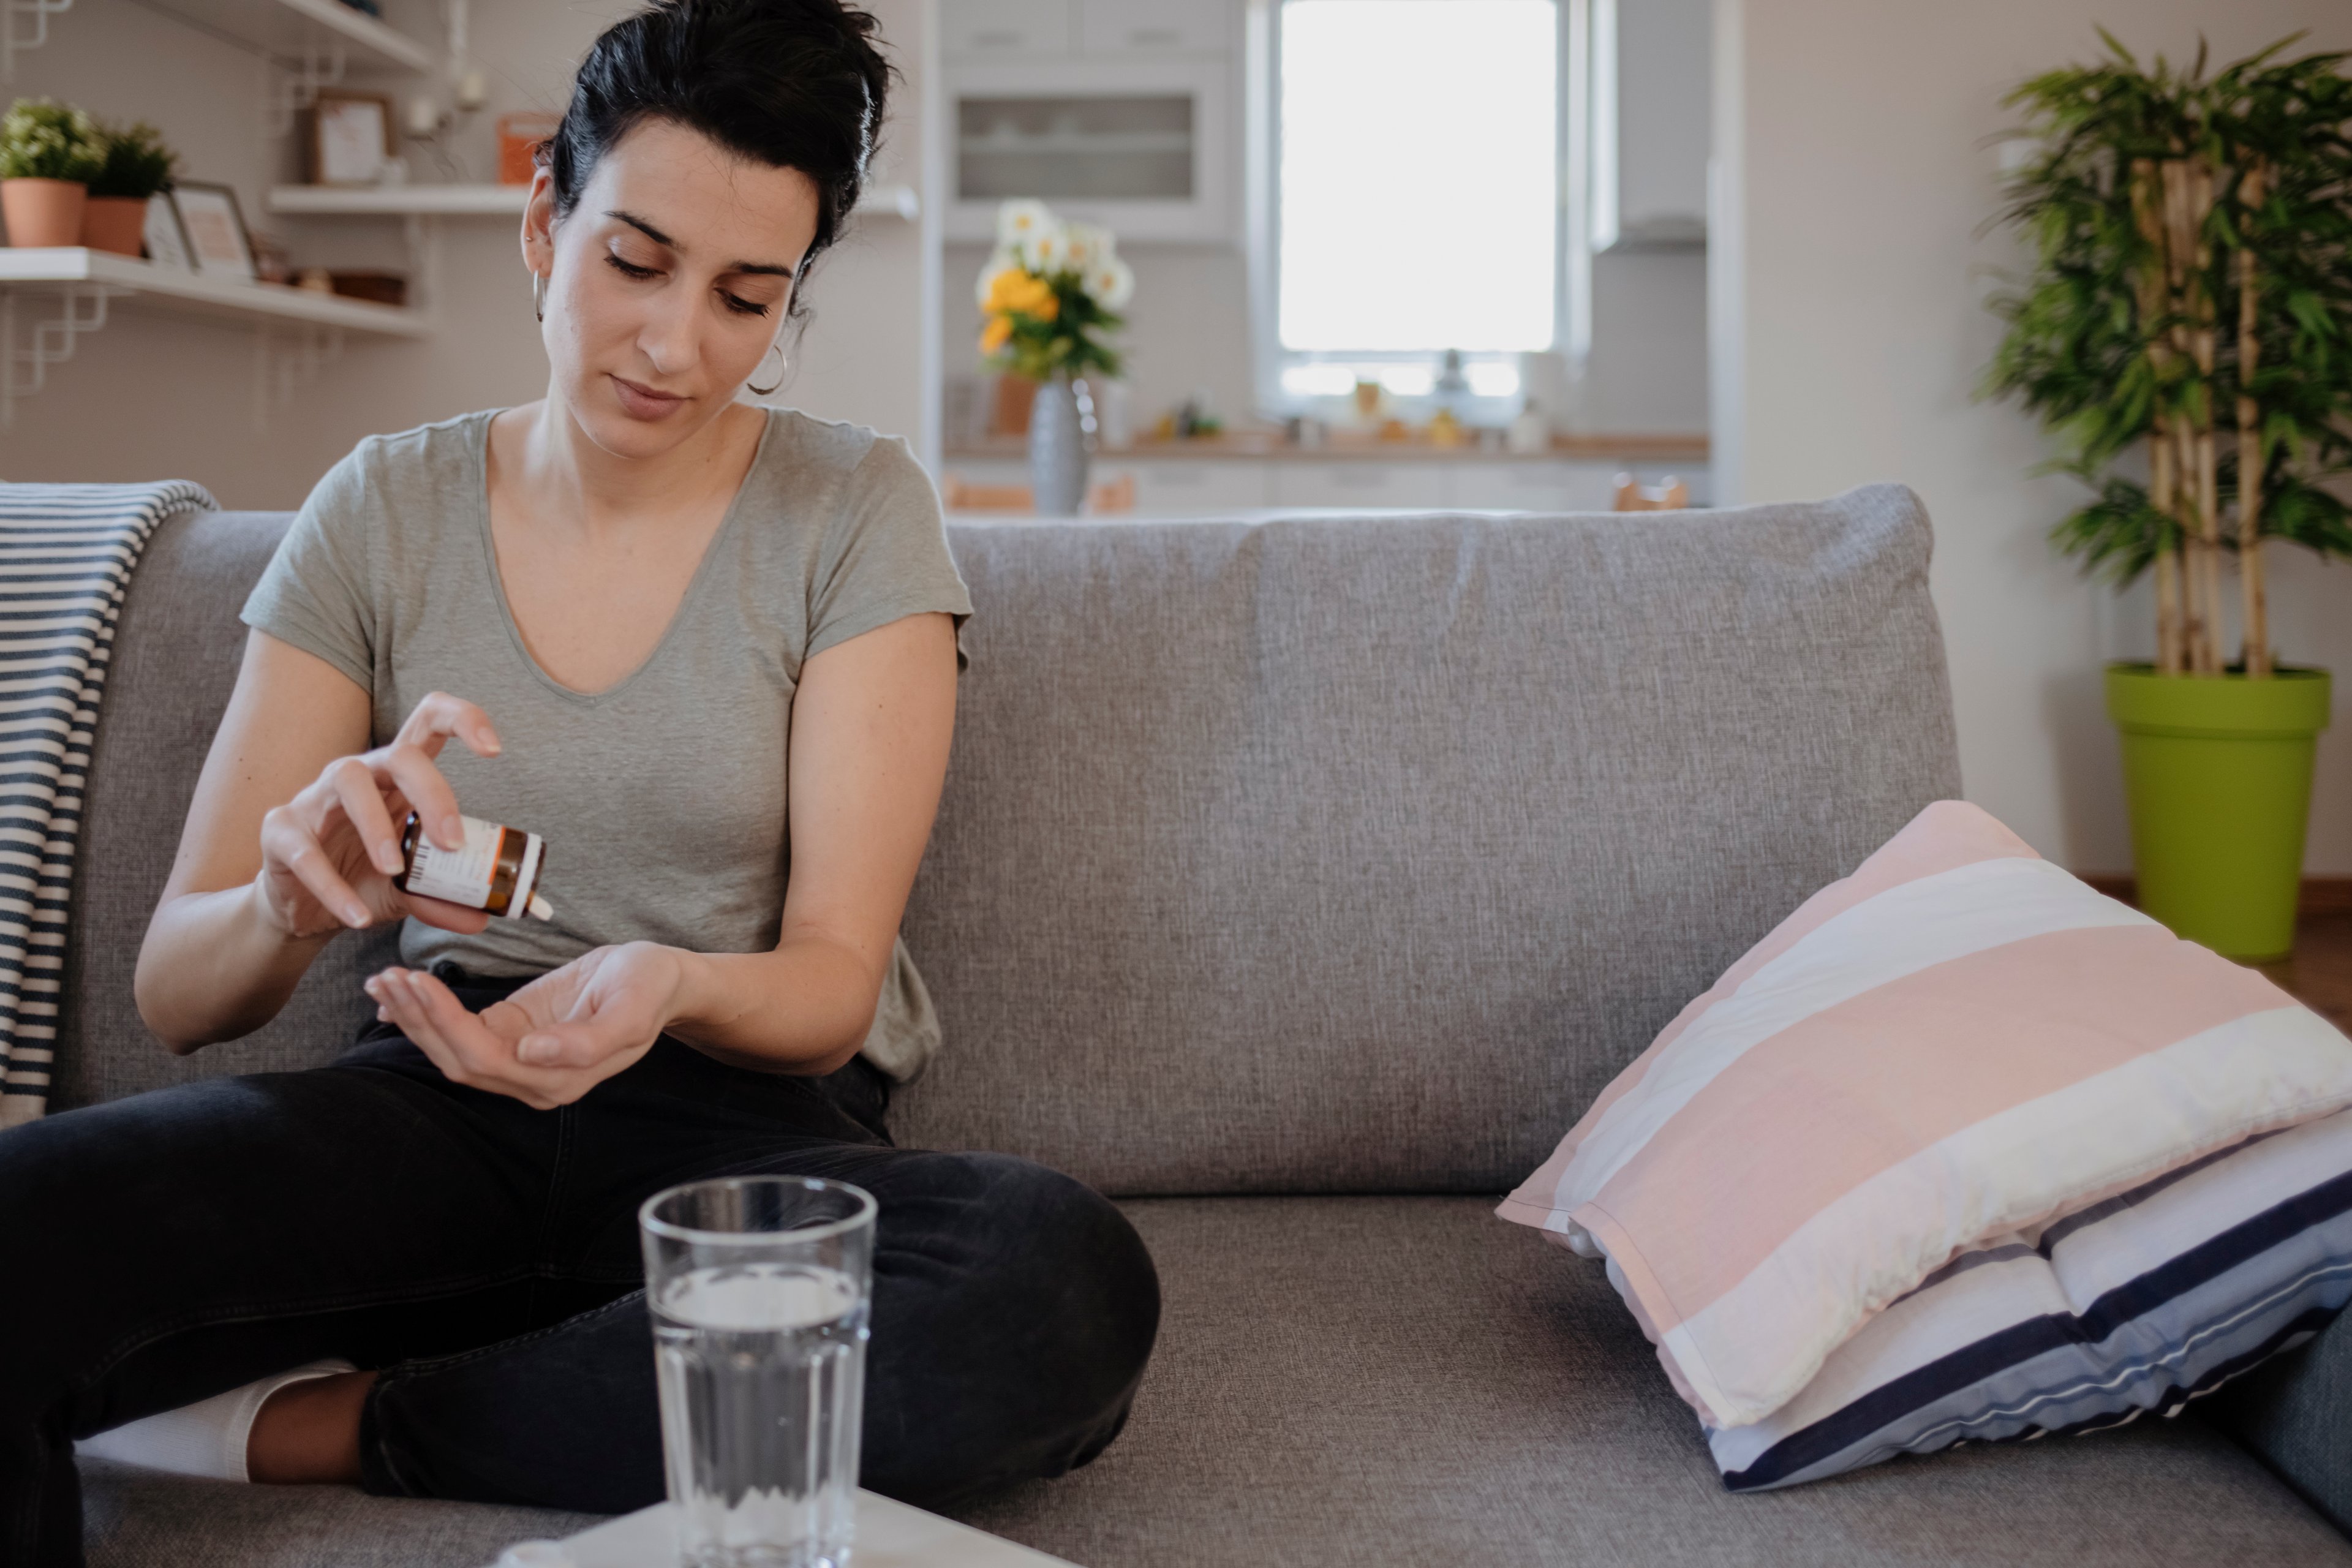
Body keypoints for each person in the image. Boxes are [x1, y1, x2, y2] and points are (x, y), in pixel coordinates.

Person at [0, 1, 1161, 1561]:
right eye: (637, 261)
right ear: (546, 222)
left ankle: (352, 1420)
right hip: (432, 1097)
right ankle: (590, 1390)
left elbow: (828, 976)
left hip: (740, 1130)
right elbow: (180, 988)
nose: (678, 343)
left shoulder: (856, 508)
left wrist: (664, 981)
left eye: (748, 298)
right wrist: (285, 895)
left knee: (1058, 1286)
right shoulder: (381, 507)